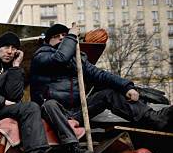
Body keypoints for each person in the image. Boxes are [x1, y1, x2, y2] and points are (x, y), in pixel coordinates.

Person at [31, 23, 172, 133]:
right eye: (57, 36)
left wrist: (126, 87)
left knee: (110, 93)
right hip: (53, 115)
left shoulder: (76, 60)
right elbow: (60, 58)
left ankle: (155, 118)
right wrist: (72, 35)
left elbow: (99, 74)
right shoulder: (42, 56)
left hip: (76, 113)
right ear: (48, 40)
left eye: (64, 34)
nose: (62, 38)